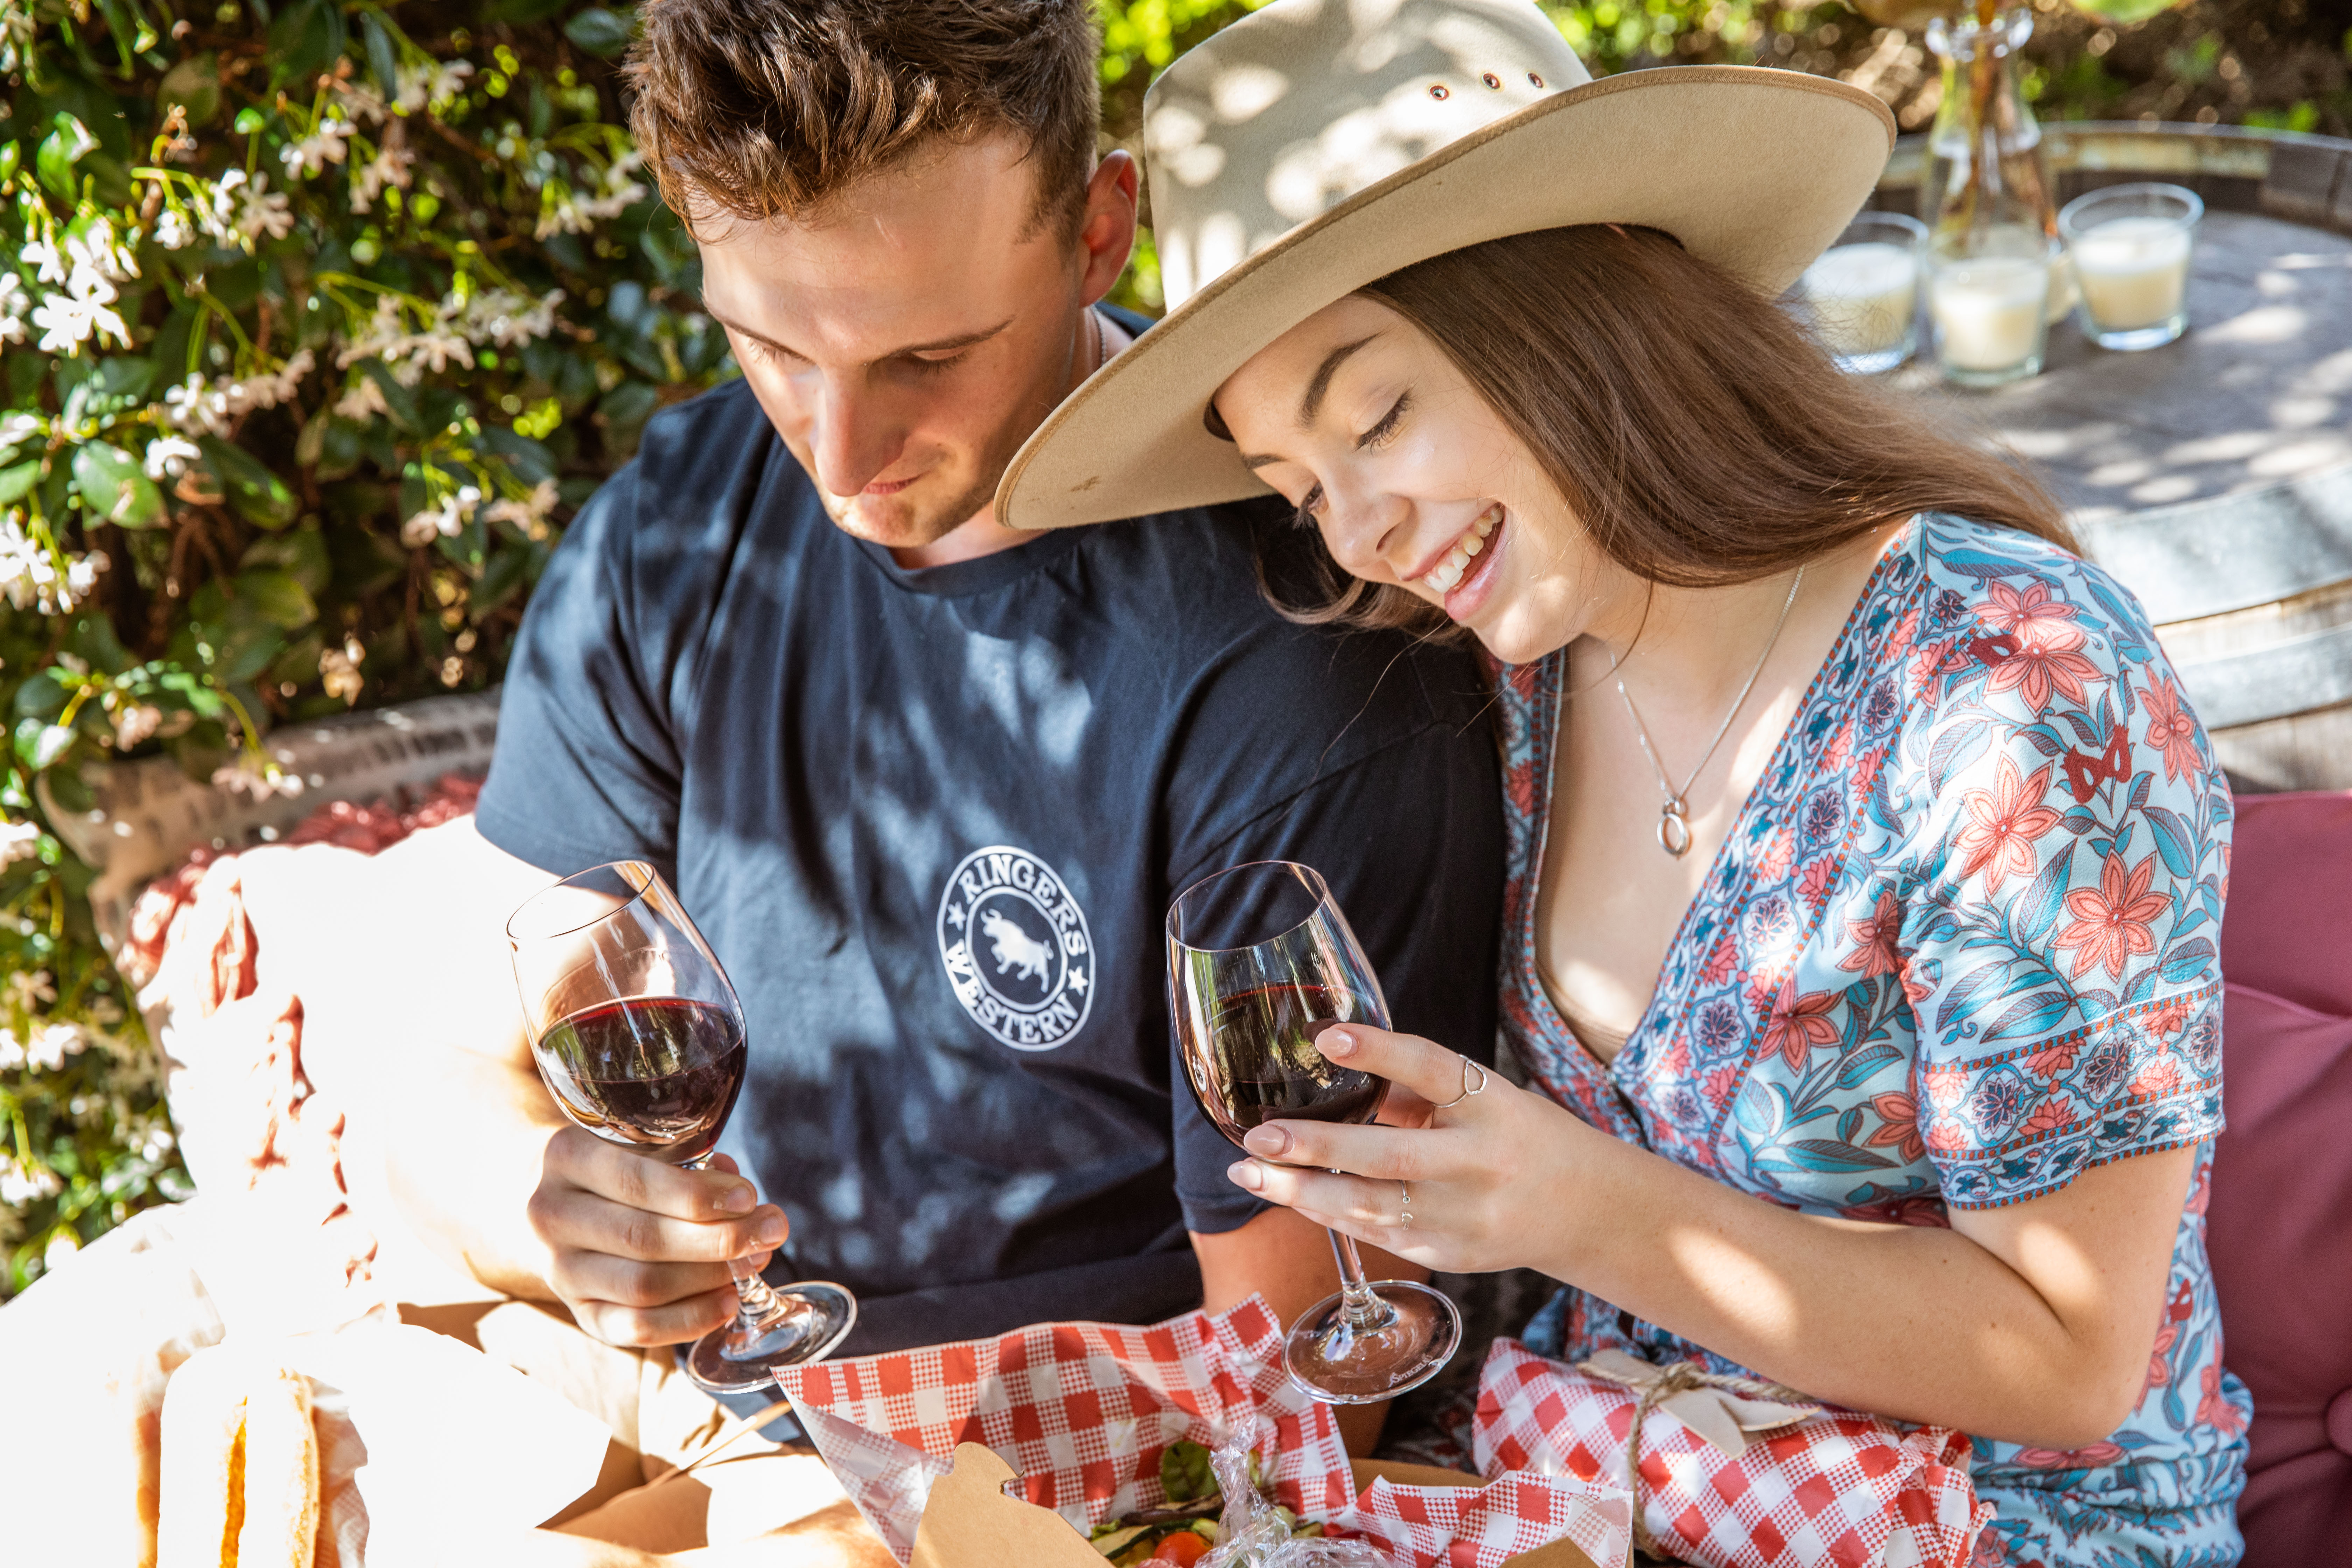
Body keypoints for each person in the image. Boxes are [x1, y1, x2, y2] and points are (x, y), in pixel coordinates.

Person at [996, 1, 2250, 1562]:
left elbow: (2073, 1358)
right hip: (1613, 1496)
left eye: (1377, 413)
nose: (1360, 534)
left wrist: (1566, 1204)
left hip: (1999, 1530)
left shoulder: (2011, 685)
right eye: (1299, 486)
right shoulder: (1515, 672)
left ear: (1575, 303)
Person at [346, 0, 1503, 1547]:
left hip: (1067, 1468)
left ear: (1100, 232)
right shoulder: (670, 537)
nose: (839, 449)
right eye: (767, 344)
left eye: (927, 355)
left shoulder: (1292, 652)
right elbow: (427, 1090)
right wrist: (550, 1215)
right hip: (703, 1400)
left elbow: (1295, 1397)